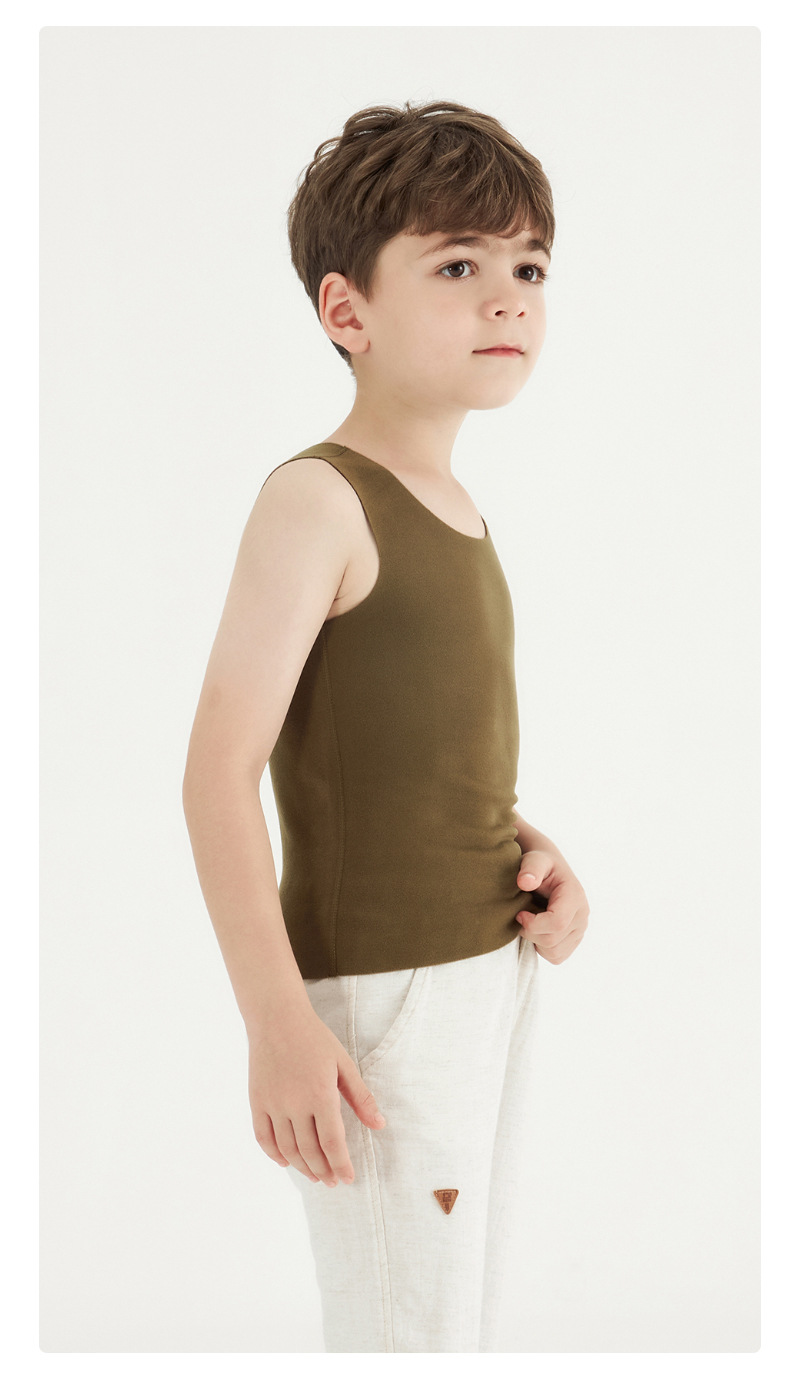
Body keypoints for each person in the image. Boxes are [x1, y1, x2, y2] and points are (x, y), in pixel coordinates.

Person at [182, 98, 590, 1353]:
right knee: (401, 1333)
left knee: (450, 1320)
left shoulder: (455, 503)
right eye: (458, 266)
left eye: (527, 268)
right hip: (384, 998)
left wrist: (526, 849)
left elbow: (413, 755)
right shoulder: (320, 500)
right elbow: (216, 774)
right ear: (346, 311)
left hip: (482, 967)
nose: (506, 298)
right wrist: (276, 1022)